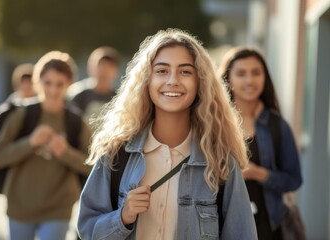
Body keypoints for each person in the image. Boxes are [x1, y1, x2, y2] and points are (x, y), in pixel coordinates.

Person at [77, 29, 257, 240]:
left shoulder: (221, 161)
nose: (172, 80)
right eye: (162, 71)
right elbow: (87, 228)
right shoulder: (117, 153)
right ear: (147, 80)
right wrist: (122, 217)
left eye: (185, 72)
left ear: (200, 82)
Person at [0, 51, 92, 240]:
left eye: (60, 84)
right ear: (38, 82)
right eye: (47, 83)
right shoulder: (20, 115)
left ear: (69, 84)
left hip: (58, 208)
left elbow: (92, 166)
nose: (53, 90)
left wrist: (66, 153)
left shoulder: (77, 123)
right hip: (19, 206)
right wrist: (29, 143)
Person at [218, 46, 303, 240]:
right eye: (241, 73)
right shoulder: (214, 124)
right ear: (228, 79)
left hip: (267, 227)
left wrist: (259, 173)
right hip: (221, 223)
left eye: (256, 73)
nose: (249, 80)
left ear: (265, 78)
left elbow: (294, 179)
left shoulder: (277, 125)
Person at [0, 63, 37, 183]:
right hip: (9, 161)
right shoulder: (6, 109)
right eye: (24, 85)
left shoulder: (40, 110)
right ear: (17, 85)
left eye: (30, 85)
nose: (27, 90)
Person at [67, 46, 120, 120]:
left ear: (116, 71)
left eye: (109, 66)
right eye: (101, 64)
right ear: (91, 67)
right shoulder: (77, 94)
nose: (104, 70)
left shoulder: (119, 99)